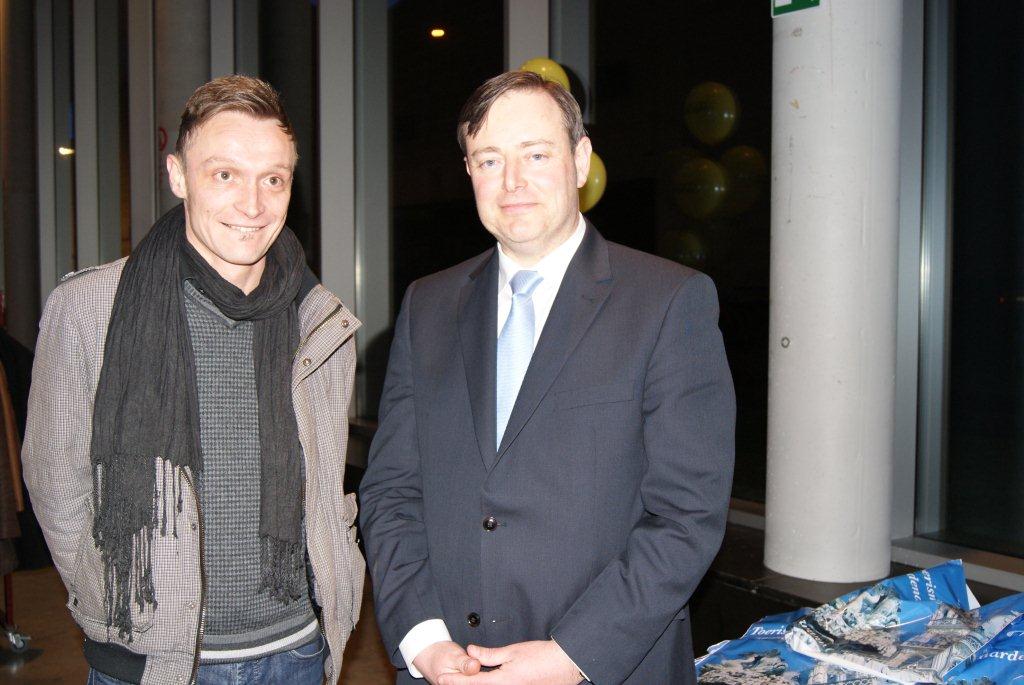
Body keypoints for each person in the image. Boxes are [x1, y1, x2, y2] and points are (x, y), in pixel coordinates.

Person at [359, 70, 736, 685]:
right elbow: (391, 492)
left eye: (535, 154)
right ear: (469, 172)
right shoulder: (428, 306)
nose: (512, 181)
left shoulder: (668, 302)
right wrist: (423, 639)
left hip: (605, 667)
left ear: (580, 160)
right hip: (446, 668)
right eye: (489, 160)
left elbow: (687, 517)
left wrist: (572, 655)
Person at [22, 75, 363, 685]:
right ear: (178, 176)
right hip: (156, 662)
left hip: (295, 652)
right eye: (225, 174)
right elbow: (54, 476)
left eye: (273, 179)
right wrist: (113, 607)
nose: (252, 205)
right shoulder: (91, 308)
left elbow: (322, 481)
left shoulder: (321, 320)